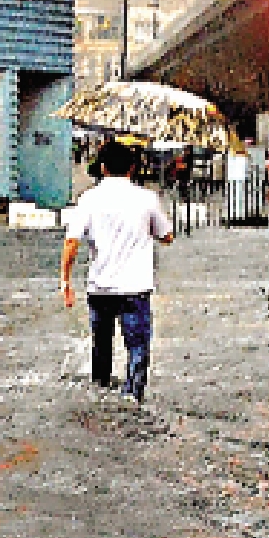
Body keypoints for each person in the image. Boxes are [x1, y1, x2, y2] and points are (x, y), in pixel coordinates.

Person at [60, 139, 174, 403]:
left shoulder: (89, 199)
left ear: (102, 167)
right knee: (137, 349)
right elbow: (167, 236)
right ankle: (132, 400)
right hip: (135, 289)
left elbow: (71, 242)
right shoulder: (146, 198)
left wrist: (65, 282)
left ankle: (100, 400)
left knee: (101, 350)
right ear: (132, 168)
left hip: (99, 288)